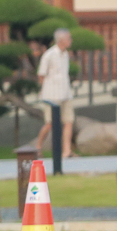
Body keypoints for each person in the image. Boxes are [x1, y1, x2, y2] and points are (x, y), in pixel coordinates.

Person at [33, 27, 76, 159]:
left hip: (66, 93)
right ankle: (38, 147)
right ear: (61, 40)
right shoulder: (49, 55)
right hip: (52, 95)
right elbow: (41, 75)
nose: (70, 40)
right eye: (68, 38)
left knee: (68, 121)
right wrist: (44, 90)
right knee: (50, 123)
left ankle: (67, 151)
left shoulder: (66, 54)